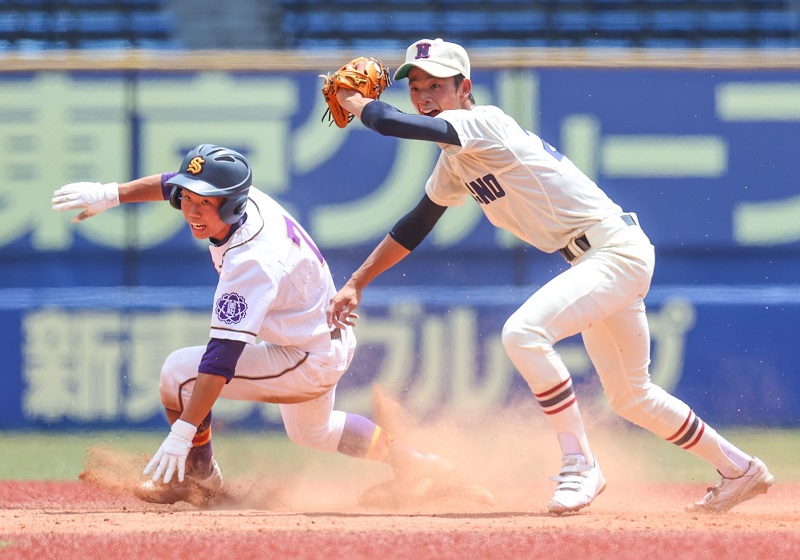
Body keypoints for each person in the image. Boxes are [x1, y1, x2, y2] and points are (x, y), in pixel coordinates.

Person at [325, 38, 775, 514]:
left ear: (464, 88)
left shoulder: (482, 122)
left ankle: (581, 465)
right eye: (416, 86)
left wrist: (357, 101)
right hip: (599, 257)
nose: (424, 95)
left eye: (436, 84)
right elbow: (417, 223)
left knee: (523, 333)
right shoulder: (454, 160)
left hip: (612, 251)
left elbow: (389, 122)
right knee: (631, 396)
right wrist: (358, 281)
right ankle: (740, 470)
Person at [51, 143, 462, 507]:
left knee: (179, 373)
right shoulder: (243, 199)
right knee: (314, 433)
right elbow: (170, 184)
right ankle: (423, 466)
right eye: (187, 199)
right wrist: (112, 194)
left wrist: (184, 433)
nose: (191, 210)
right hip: (316, 337)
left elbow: (220, 360)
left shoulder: (252, 262)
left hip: (307, 356)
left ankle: (199, 480)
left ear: (230, 205)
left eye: (205, 203)